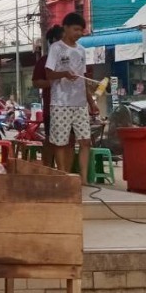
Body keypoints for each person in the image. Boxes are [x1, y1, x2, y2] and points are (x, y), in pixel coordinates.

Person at [45, 12, 92, 179]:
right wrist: (64, 73)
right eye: (75, 29)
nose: (79, 33)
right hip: (60, 103)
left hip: (80, 103)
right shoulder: (56, 48)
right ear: (66, 28)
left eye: (81, 30)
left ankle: (83, 179)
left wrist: (91, 102)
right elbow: (48, 74)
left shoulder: (82, 50)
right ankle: (63, 176)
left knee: (85, 141)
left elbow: (83, 78)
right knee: (60, 142)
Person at [33, 25, 63, 166]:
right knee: (51, 140)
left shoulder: (73, 58)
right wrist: (54, 82)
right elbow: (36, 82)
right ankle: (48, 168)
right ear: (54, 41)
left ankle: (64, 172)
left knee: (69, 142)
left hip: (72, 107)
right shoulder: (44, 61)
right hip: (51, 109)